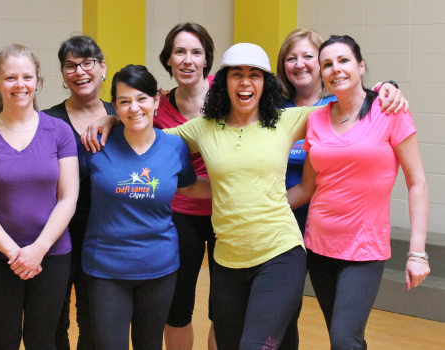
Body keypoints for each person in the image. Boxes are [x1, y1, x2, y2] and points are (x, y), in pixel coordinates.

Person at [81, 44, 407, 349]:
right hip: (227, 260)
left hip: (280, 251)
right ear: (224, 81)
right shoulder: (203, 127)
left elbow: (348, 105)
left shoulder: (288, 119)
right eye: (237, 73)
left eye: (254, 74)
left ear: (265, 83)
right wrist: (111, 116)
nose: (245, 81)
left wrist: (383, 89)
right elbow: (148, 136)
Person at [0, 35, 115, 350]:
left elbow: (68, 197)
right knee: (3, 341)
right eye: (10, 77)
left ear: (38, 81)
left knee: (42, 340)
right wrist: (14, 253)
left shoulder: (57, 131)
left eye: (27, 77)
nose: (20, 84)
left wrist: (37, 250)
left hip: (51, 255)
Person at [287, 35, 430, 350]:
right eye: (327, 64)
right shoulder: (317, 119)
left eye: (343, 61)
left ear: (361, 66)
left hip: (364, 250)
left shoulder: (389, 110)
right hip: (318, 247)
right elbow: (307, 187)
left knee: (343, 340)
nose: (335, 69)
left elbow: (416, 181)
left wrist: (417, 252)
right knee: (346, 339)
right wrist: (260, 207)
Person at [80, 64, 211, 350]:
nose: (134, 108)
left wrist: (239, 191)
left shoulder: (174, 147)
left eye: (141, 98)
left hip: (159, 269)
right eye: (124, 101)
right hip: (106, 270)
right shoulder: (96, 144)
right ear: (114, 107)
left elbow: (189, 186)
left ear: (156, 100)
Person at [157, 22, 217, 350]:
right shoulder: (157, 106)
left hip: (227, 213)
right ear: (168, 59)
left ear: (207, 59)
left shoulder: (228, 94)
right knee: (177, 306)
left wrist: (383, 88)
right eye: (179, 51)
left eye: (196, 52)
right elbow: (124, 115)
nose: (187, 60)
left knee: (225, 307)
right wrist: (107, 119)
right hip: (179, 215)